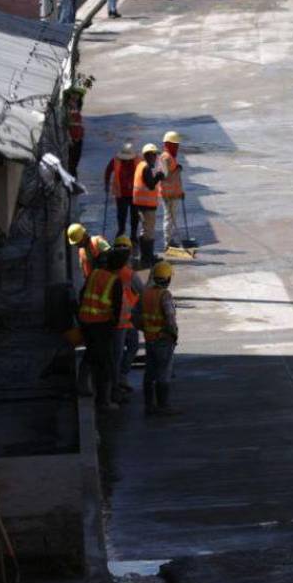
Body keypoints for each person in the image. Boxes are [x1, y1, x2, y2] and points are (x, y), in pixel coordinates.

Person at [77, 258, 124, 410]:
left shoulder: (94, 274)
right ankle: (104, 401)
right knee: (105, 363)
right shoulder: (115, 281)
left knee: (91, 353)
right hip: (102, 324)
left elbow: (82, 295)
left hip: (86, 320)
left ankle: (83, 383)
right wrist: (113, 327)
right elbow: (117, 308)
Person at [138, 261, 181, 416]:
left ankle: (149, 405)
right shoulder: (165, 295)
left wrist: (146, 329)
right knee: (164, 373)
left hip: (149, 339)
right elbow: (170, 318)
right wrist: (173, 335)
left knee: (150, 372)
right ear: (167, 279)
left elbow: (136, 317)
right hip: (163, 339)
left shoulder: (145, 294)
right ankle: (163, 406)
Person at [111, 235, 140, 401]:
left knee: (121, 351)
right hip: (124, 318)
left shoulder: (107, 271)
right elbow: (143, 293)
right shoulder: (130, 275)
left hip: (117, 318)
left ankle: (119, 379)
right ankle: (117, 382)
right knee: (126, 349)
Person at [133, 144, 166, 266]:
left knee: (145, 231)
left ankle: (145, 256)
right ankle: (148, 258)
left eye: (156, 155)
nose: (155, 158)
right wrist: (158, 176)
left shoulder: (140, 165)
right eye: (153, 155)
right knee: (149, 232)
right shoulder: (146, 168)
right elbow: (151, 185)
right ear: (147, 156)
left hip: (141, 204)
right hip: (147, 205)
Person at [103, 142, 140, 239]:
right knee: (121, 215)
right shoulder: (115, 160)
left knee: (135, 216)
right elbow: (108, 171)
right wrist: (106, 184)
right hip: (121, 193)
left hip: (134, 193)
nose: (126, 161)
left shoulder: (138, 160)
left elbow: (145, 172)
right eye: (125, 159)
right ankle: (121, 232)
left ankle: (133, 235)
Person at [159, 130, 185, 249]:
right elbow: (165, 176)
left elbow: (176, 179)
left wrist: (181, 192)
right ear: (168, 144)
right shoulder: (165, 157)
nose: (177, 147)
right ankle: (167, 242)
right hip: (167, 194)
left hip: (174, 194)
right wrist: (177, 170)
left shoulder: (171, 157)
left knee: (172, 218)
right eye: (175, 145)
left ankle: (170, 240)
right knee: (168, 218)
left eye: (177, 145)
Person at [65, 87, 85, 176]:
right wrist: (69, 137)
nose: (76, 96)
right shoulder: (67, 108)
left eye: (77, 95)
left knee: (75, 160)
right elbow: (66, 124)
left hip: (78, 137)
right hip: (72, 138)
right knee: (72, 161)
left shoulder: (77, 107)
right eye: (74, 94)